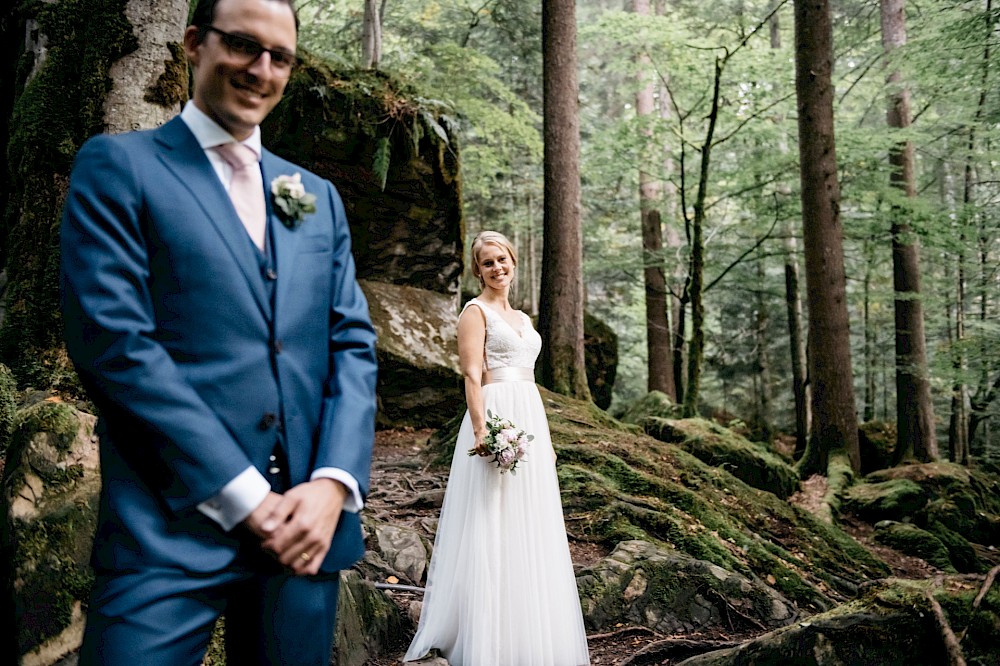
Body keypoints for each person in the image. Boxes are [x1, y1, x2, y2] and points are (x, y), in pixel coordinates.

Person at [59, 0, 378, 663]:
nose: (261, 70)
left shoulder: (314, 195)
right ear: (193, 43)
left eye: (280, 57)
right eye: (242, 46)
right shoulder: (119, 167)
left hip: (305, 536)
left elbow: (351, 344)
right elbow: (115, 343)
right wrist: (245, 498)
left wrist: (333, 485)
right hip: (165, 530)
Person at [404, 231, 590, 665]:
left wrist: (545, 441)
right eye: (487, 263)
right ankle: (488, 630)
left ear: (514, 261)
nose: (497, 268)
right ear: (478, 270)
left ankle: (530, 624)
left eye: (502, 259)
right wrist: (481, 431)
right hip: (497, 414)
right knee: (494, 517)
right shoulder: (475, 312)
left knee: (531, 518)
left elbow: (526, 375)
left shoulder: (523, 318)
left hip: (531, 416)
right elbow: (472, 376)